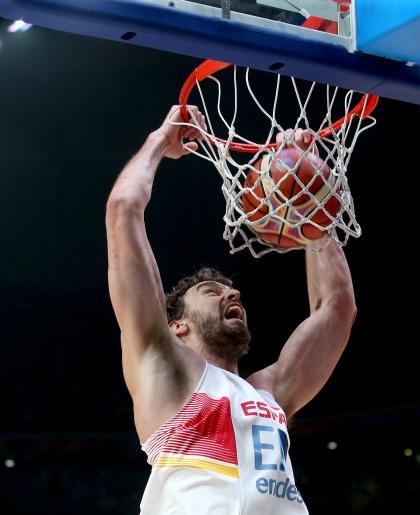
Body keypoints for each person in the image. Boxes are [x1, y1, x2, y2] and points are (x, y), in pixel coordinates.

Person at [105, 105, 357, 514]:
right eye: (212, 291)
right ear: (178, 326)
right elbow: (123, 211)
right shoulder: (162, 365)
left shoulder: (270, 391)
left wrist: (309, 204)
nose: (232, 294)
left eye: (232, 290)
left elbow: (337, 308)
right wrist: (159, 142)